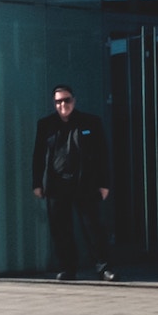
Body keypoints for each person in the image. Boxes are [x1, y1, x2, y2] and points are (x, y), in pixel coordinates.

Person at [31, 84, 114, 281]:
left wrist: (104, 184)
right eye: (58, 101)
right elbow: (38, 156)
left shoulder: (90, 123)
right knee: (61, 230)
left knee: (93, 229)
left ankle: (104, 268)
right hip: (57, 185)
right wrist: (37, 183)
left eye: (66, 100)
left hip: (85, 183)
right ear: (54, 103)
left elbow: (102, 154)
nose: (63, 105)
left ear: (73, 101)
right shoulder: (46, 125)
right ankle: (68, 268)